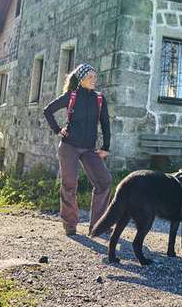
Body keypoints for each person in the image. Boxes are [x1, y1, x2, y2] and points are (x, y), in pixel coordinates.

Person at [43, 63, 112, 236]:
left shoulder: (99, 99)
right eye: (90, 77)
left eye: (95, 76)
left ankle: (98, 224)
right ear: (81, 80)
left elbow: (105, 123)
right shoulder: (71, 96)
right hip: (69, 147)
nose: (94, 80)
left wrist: (106, 147)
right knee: (69, 185)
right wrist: (58, 130)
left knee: (104, 181)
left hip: (90, 149)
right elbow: (48, 111)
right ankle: (70, 224)